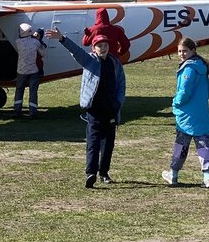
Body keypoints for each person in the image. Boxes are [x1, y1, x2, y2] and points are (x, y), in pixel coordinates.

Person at [47, 27, 126, 188]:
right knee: (93, 143)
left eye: (105, 45)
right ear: (93, 48)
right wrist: (62, 38)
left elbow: (121, 84)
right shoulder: (89, 60)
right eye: (99, 45)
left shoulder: (115, 62)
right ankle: (91, 173)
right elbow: (76, 51)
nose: (103, 48)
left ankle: (104, 173)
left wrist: (118, 102)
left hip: (111, 109)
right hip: (94, 110)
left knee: (108, 144)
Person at [162, 37, 209, 188]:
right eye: (179, 51)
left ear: (193, 51)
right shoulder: (201, 67)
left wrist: (175, 102)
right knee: (204, 144)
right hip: (201, 113)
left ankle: (173, 173)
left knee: (181, 145)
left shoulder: (189, 68)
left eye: (185, 51)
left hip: (186, 115)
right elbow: (208, 90)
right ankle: (207, 176)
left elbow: (184, 91)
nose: (181, 54)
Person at [13, 22, 45, 117]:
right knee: (33, 91)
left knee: (19, 90)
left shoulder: (18, 42)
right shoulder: (35, 42)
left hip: (21, 70)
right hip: (33, 70)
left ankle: (17, 110)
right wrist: (40, 43)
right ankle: (32, 112)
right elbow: (42, 53)